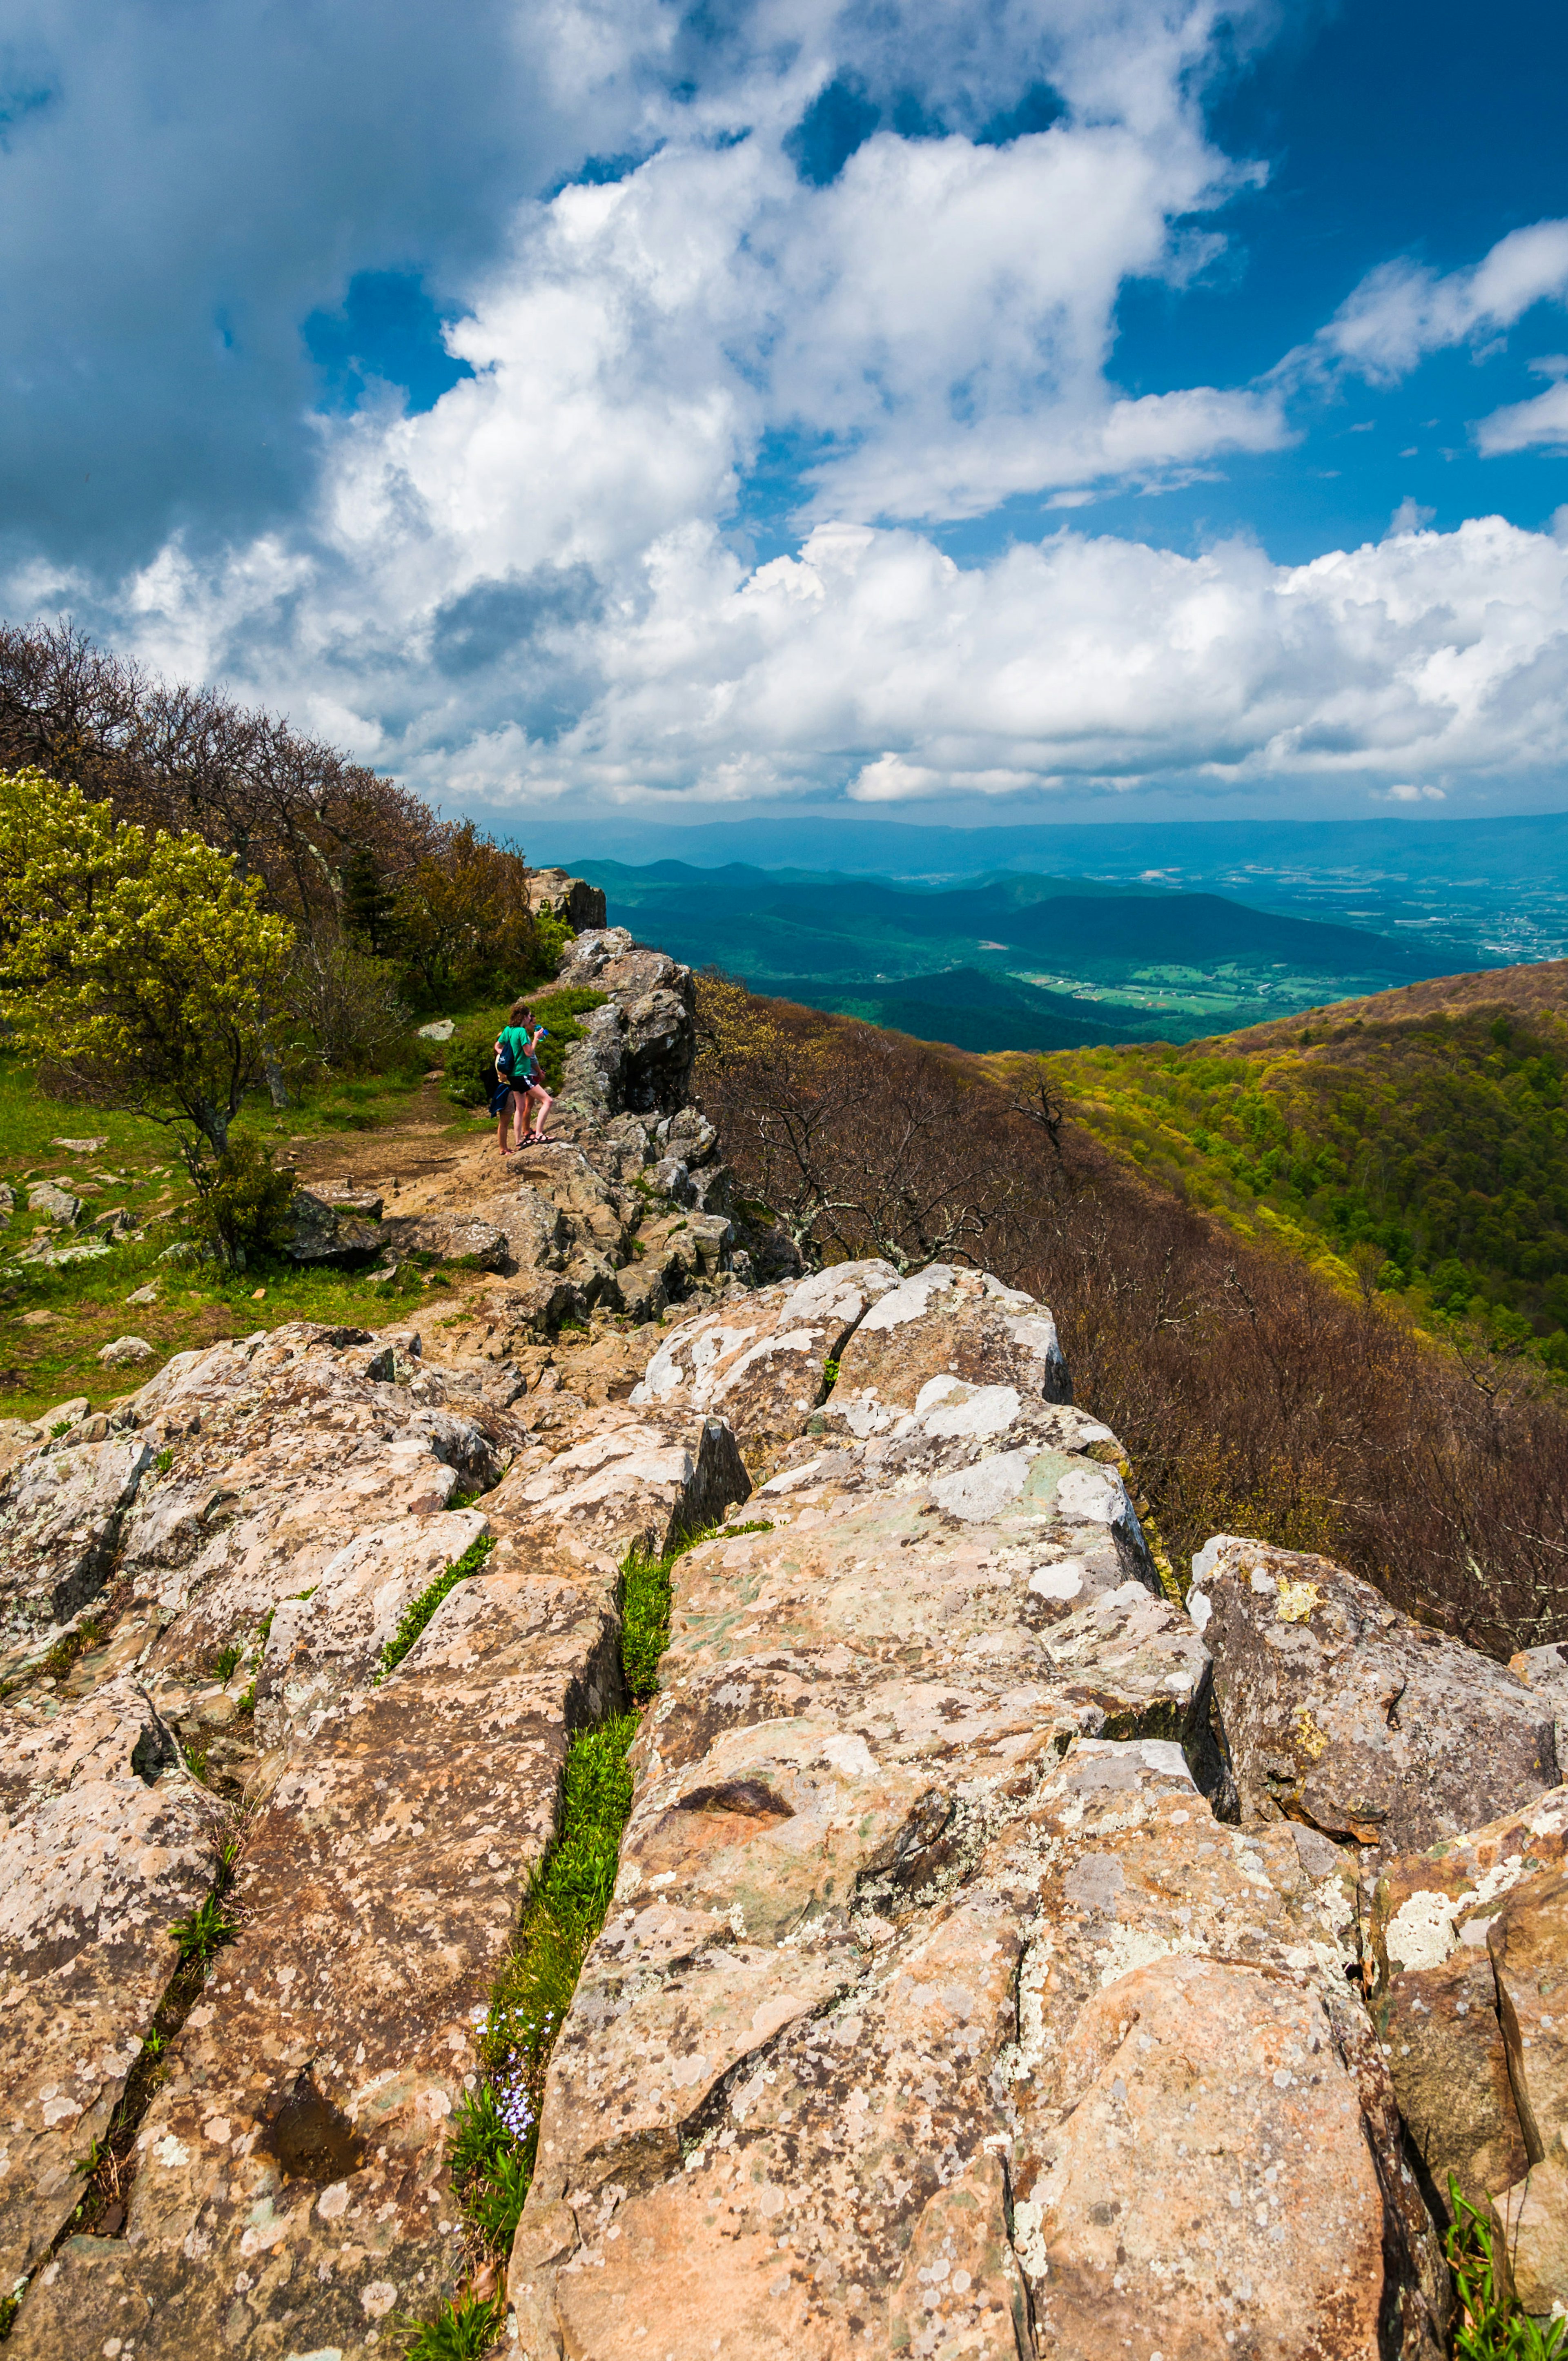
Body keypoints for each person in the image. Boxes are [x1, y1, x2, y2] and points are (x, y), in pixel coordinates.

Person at [494, 1002, 552, 1151]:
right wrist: (536, 1039)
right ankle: (539, 1134)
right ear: (525, 1017)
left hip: (513, 1076)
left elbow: (498, 1046)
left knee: (520, 1108)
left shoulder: (508, 1030)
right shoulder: (521, 1032)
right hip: (522, 1074)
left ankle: (519, 1141)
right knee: (548, 1101)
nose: (529, 1018)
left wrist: (507, 1056)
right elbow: (529, 1053)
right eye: (529, 1016)